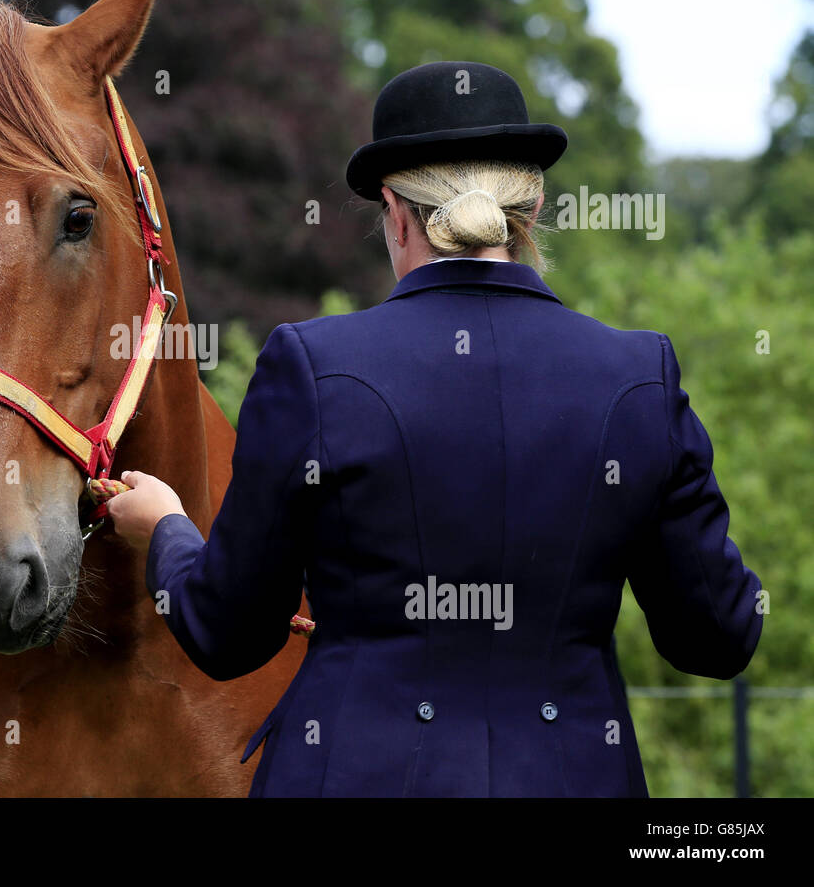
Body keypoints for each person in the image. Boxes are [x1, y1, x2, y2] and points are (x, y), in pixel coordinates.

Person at [105, 60, 763, 797]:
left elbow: (228, 633)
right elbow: (719, 635)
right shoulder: (641, 376)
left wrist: (166, 529)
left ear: (393, 210)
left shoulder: (311, 366)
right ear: (535, 205)